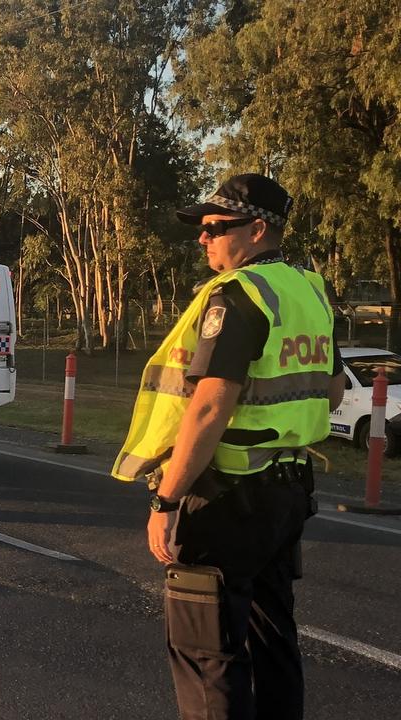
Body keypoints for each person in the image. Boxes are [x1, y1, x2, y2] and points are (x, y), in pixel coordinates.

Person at [112, 173, 347, 719]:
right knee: (274, 640)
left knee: (206, 654)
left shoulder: (239, 295)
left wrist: (167, 501)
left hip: (226, 496)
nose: (203, 237)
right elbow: (333, 391)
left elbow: (210, 407)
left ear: (258, 229)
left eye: (216, 227)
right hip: (287, 491)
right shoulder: (311, 290)